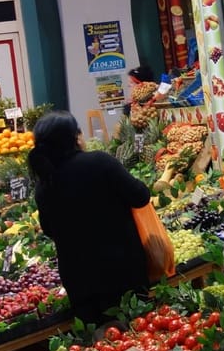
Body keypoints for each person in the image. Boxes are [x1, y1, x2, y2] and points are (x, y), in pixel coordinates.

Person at [27, 111, 154, 329]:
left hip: (80, 282)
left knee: (101, 345)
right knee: (139, 333)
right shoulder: (100, 162)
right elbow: (140, 197)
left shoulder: (44, 184)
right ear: (75, 137)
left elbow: (48, 229)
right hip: (122, 272)